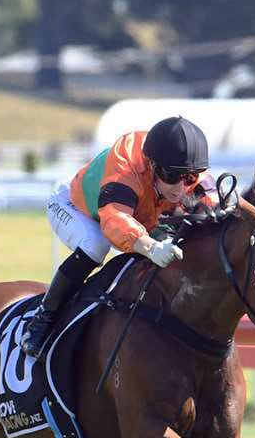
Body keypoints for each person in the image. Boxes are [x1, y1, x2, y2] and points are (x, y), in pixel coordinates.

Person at [19, 115, 217, 358]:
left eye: (188, 177)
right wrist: (151, 247)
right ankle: (43, 319)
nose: (180, 188)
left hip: (139, 216)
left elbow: (218, 206)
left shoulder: (188, 170)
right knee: (95, 244)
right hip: (76, 207)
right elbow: (114, 220)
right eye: (172, 177)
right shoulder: (128, 161)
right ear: (153, 165)